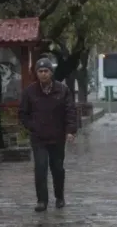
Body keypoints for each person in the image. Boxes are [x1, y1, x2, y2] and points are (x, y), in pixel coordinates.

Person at [19, 58, 78, 212]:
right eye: (40, 71)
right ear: (36, 73)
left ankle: (59, 197)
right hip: (38, 137)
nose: (43, 74)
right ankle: (42, 200)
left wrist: (70, 131)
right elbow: (23, 113)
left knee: (57, 168)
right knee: (40, 167)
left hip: (57, 136)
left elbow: (70, 111)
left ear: (51, 73)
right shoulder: (30, 92)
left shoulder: (62, 90)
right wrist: (32, 126)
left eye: (46, 71)